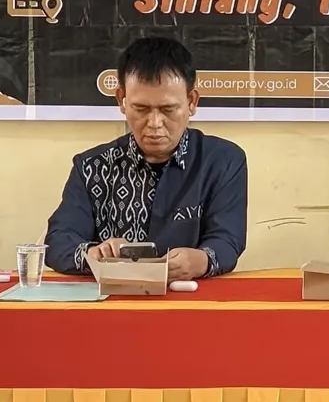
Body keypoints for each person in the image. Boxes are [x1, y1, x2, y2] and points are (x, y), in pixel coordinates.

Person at [45, 36, 247, 279]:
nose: (154, 123)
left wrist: (201, 260)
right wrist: (93, 254)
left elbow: (228, 240)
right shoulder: (91, 167)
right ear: (121, 100)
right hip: (113, 298)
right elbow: (58, 242)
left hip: (190, 296)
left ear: (192, 102)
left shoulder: (223, 161)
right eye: (141, 109)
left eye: (168, 109)